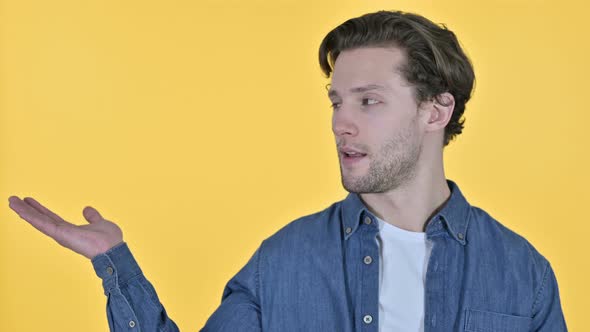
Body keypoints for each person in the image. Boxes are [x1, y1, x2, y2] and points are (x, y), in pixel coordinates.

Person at [7, 9, 567, 332]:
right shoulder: (285, 260)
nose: (340, 124)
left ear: (435, 111)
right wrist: (114, 264)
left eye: (367, 102)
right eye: (335, 102)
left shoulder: (523, 273)